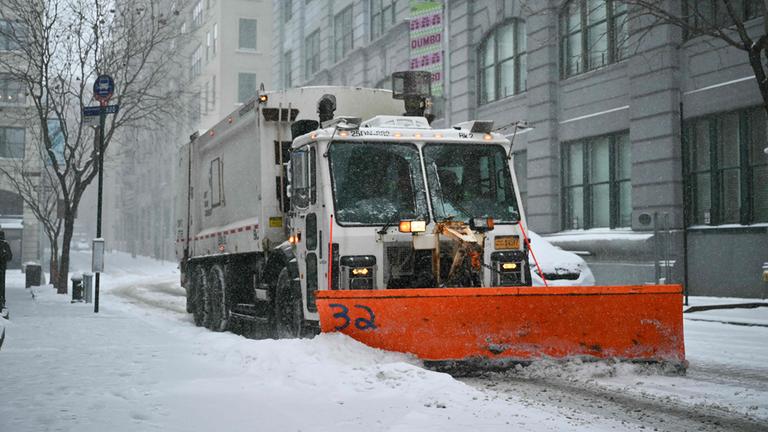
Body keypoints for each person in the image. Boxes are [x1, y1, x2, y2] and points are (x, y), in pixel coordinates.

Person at [0, 230, 12, 310]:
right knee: (1, 286)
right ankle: (2, 301)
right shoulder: (5, 244)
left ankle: (2, 302)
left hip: (2, 268)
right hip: (2, 268)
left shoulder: (5, 245)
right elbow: (10, 257)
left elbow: (9, 257)